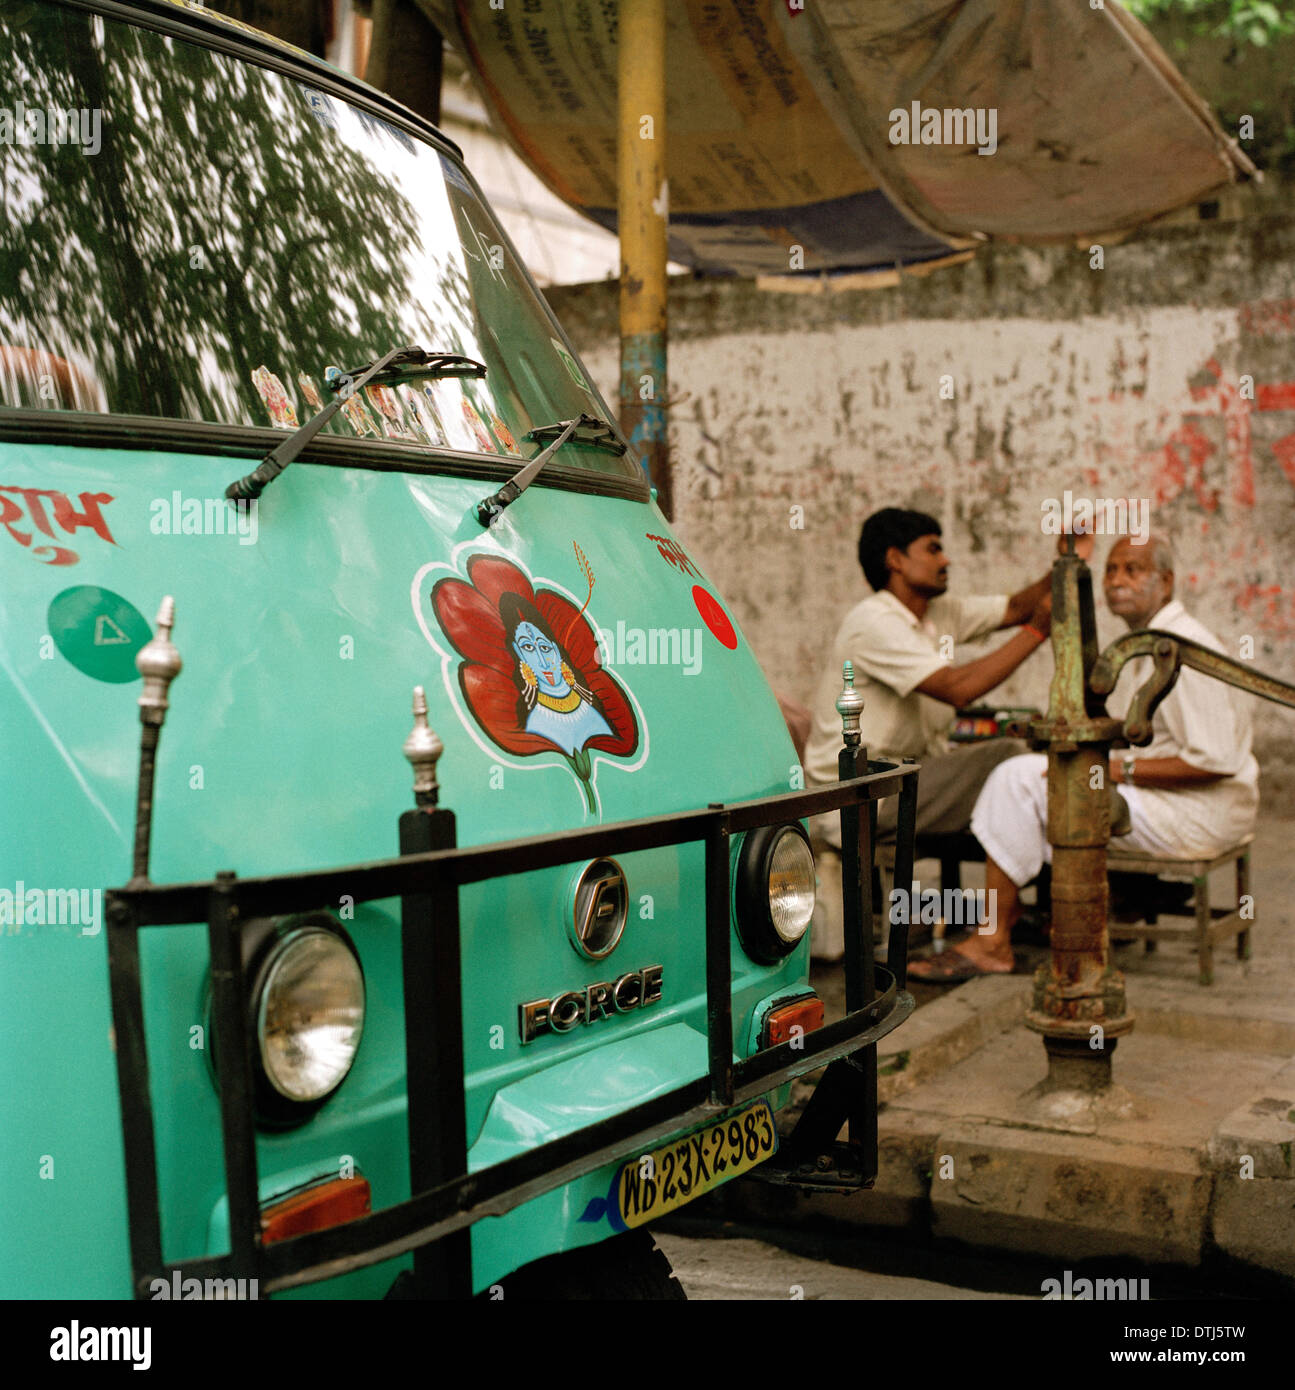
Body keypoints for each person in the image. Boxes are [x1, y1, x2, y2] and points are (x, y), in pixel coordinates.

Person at [920, 533, 1259, 981]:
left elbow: (1213, 761)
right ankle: (1070, 913)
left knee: (1015, 778)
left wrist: (1116, 769)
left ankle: (994, 939)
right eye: (1111, 570)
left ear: (1166, 582)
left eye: (1133, 570)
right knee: (1041, 778)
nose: (1116, 581)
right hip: (1185, 803)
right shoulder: (1149, 643)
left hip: (1203, 812)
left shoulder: (1179, 647)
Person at [804, 508, 1055, 960]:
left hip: (908, 779)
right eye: (933, 549)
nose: (946, 560)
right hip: (862, 794)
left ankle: (1024, 914)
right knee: (1009, 760)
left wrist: (1066, 559)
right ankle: (1001, 926)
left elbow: (1018, 607)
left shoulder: (939, 614)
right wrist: (1039, 631)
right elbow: (958, 688)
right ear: (896, 559)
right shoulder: (875, 621)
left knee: (1028, 768)